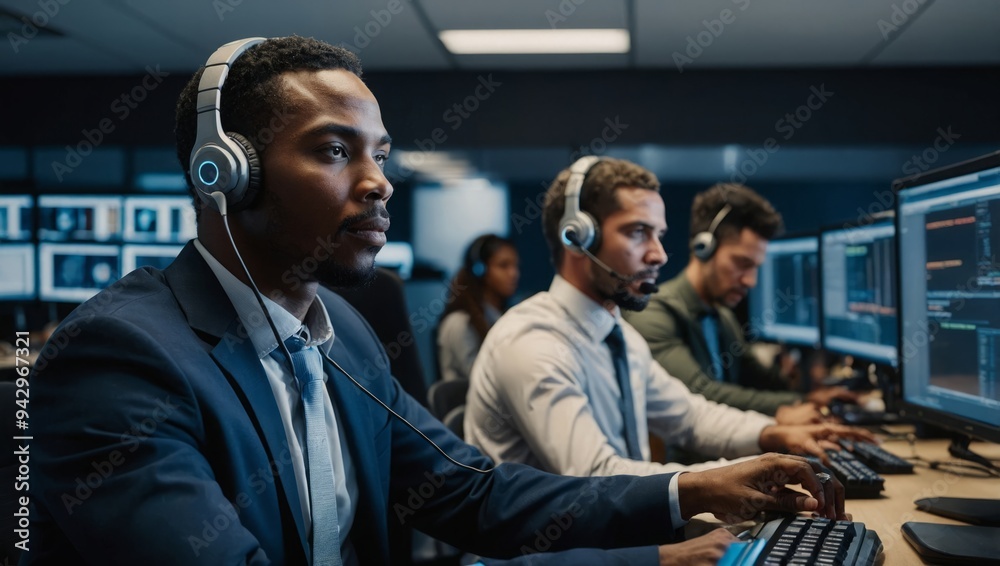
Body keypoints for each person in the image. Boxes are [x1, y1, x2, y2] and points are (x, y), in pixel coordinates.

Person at [27, 37, 845, 565]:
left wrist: (692, 491)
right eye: (334, 151)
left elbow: (472, 493)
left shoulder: (339, 331)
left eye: (381, 154)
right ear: (224, 173)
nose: (380, 181)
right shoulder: (119, 359)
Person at [465, 157, 874, 479]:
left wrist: (772, 435)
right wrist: (735, 476)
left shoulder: (617, 335)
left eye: (658, 234)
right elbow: (594, 476)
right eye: (637, 232)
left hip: (614, 537)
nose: (659, 254)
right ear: (577, 236)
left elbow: (691, 417)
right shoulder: (535, 342)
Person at [624, 184, 857, 425]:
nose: (751, 281)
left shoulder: (722, 317)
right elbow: (701, 396)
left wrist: (815, 396)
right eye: (742, 263)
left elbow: (762, 379)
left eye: (756, 267)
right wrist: (791, 406)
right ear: (703, 248)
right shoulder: (655, 314)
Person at [437, 234, 520, 382]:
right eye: (503, 265)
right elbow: (482, 380)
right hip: (466, 404)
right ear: (480, 270)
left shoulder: (503, 317)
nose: (513, 273)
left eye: (515, 266)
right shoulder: (459, 323)